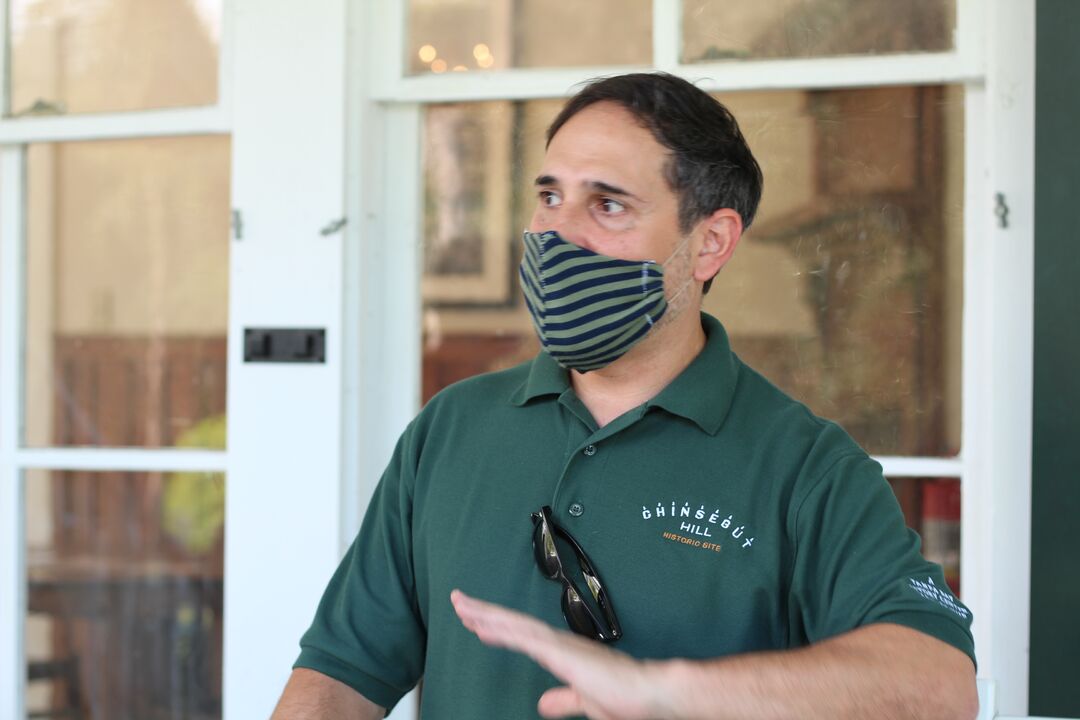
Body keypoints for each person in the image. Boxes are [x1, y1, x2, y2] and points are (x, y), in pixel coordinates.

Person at [271, 72, 978, 719]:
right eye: (550, 196)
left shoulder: (806, 466)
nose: (557, 233)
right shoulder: (451, 429)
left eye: (607, 204)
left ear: (709, 244)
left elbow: (938, 686)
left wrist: (664, 692)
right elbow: (338, 678)